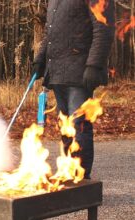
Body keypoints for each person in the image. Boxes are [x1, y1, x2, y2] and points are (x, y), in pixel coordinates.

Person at [33, 0, 115, 179]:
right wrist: (40, 59)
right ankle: (69, 172)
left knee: (79, 126)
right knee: (66, 126)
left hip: (80, 72)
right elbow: (50, 33)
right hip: (58, 72)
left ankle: (82, 180)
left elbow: (104, 29)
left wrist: (93, 65)